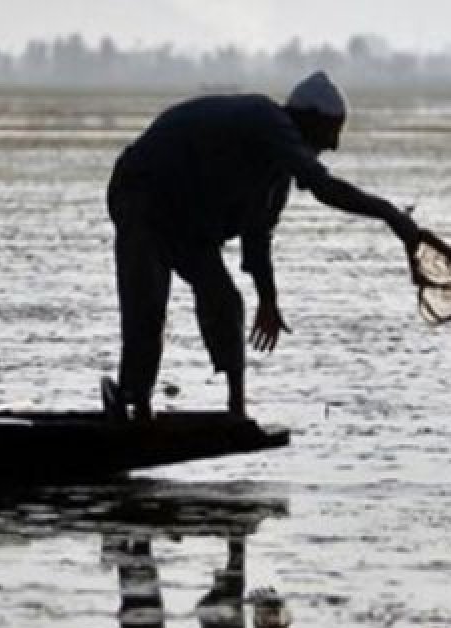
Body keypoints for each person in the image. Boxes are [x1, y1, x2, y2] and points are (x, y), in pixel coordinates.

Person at [103, 70, 422, 420]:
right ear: (307, 120)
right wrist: (389, 214)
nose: (333, 146)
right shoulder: (266, 119)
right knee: (147, 302)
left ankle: (236, 410)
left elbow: (257, 240)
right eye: (331, 132)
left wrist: (268, 299)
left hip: (190, 221)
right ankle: (133, 401)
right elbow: (323, 186)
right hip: (143, 192)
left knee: (225, 301)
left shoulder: (276, 180)